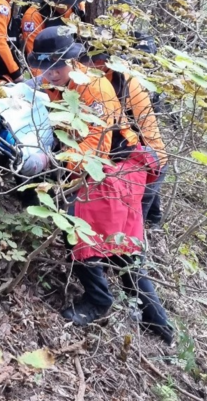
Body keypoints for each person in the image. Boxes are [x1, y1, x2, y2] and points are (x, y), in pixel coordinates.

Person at [27, 27, 173, 344]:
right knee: (120, 246)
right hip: (95, 165)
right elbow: (26, 92)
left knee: (83, 227)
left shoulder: (95, 88)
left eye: (56, 66)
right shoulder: (53, 84)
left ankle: (101, 300)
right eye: (44, 66)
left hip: (119, 167)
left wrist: (56, 164)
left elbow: (97, 145)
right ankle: (156, 321)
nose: (49, 74)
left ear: (74, 62)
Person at [83, 52, 168, 228]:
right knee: (147, 211)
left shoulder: (122, 81)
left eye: (90, 63)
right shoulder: (111, 76)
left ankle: (140, 249)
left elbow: (120, 125)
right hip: (147, 155)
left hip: (148, 159)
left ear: (101, 61)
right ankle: (154, 222)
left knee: (134, 220)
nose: (86, 67)